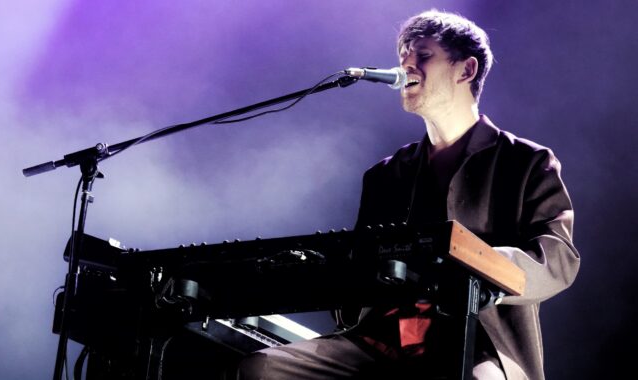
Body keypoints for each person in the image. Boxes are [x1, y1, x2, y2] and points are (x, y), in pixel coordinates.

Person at [235, 9, 579, 380]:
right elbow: (359, 269)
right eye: (402, 55)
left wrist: (476, 262)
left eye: (422, 54)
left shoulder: (526, 162)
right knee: (263, 368)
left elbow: (557, 260)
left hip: (476, 343)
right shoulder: (386, 174)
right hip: (382, 343)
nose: (406, 65)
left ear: (466, 70)